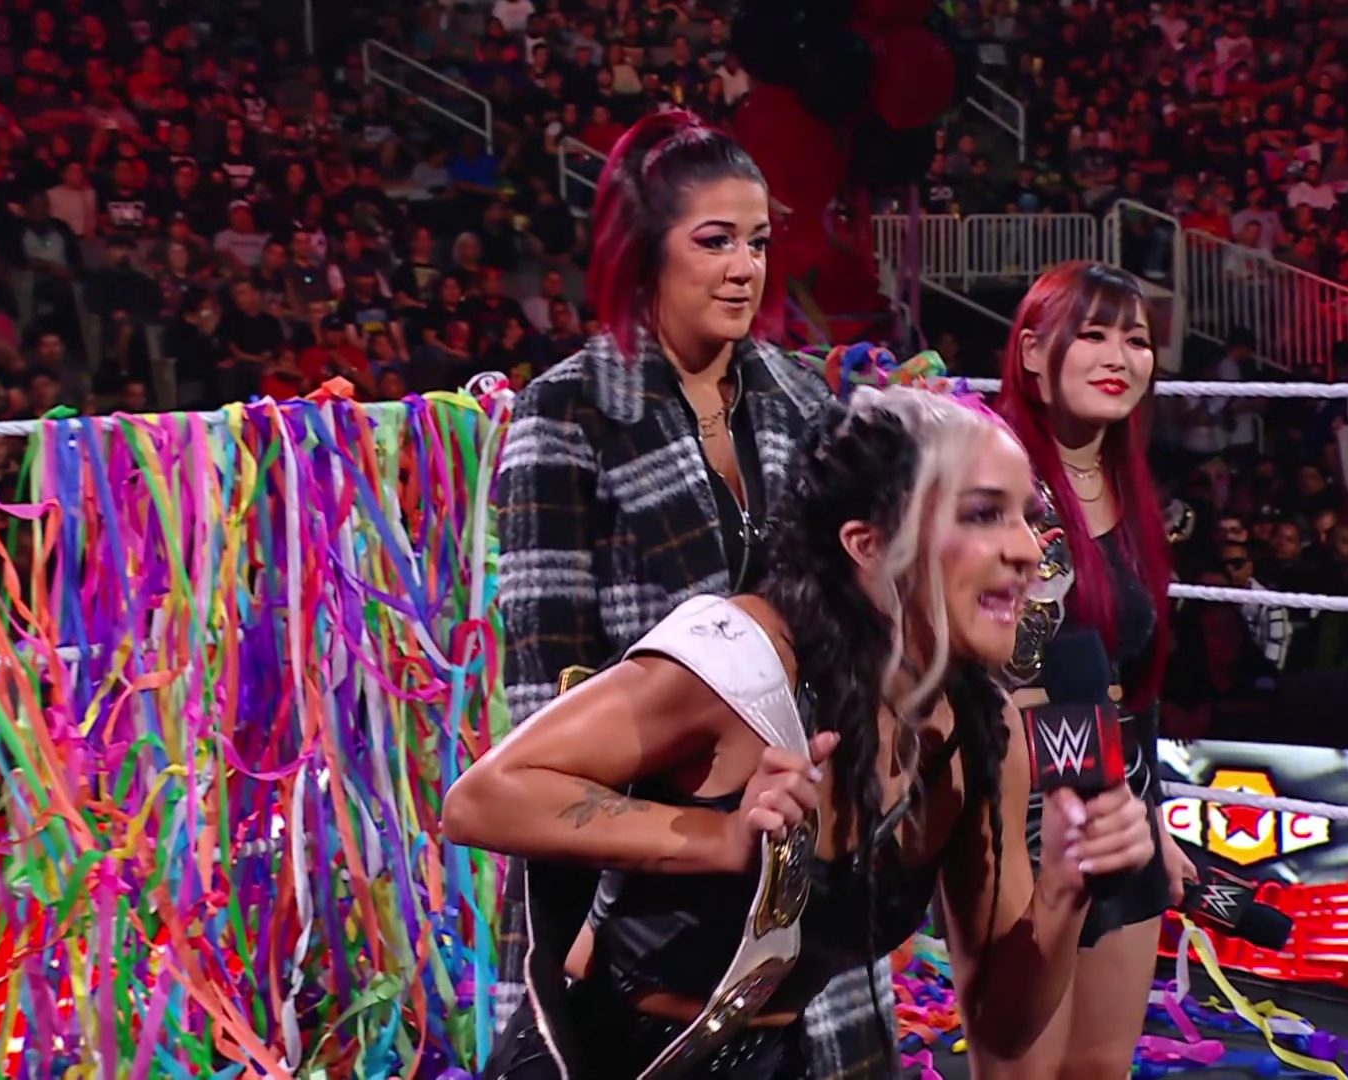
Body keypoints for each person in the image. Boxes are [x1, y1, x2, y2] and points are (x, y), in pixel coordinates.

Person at [449, 386, 1156, 1079]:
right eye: (984, 515)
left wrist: (1062, 893)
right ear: (868, 544)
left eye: (1027, 518)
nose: (1028, 550)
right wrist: (720, 838)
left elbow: (1003, 1029)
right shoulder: (741, 660)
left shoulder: (979, 733)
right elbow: (482, 799)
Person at [492, 109, 847, 1068]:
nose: (745, 269)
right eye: (715, 241)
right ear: (646, 250)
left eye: (759, 243)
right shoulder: (567, 414)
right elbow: (546, 698)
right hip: (641, 887)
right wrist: (596, 894)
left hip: (805, 866)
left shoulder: (810, 406)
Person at [982, 261, 1195, 1080]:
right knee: (1025, 1064)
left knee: (1102, 1065)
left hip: (1118, 792)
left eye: (1136, 340)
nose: (1118, 357)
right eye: (1093, 334)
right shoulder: (992, 477)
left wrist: (1155, 820)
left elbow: (1131, 684)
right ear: (1034, 352)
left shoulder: (1130, 491)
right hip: (1022, 801)